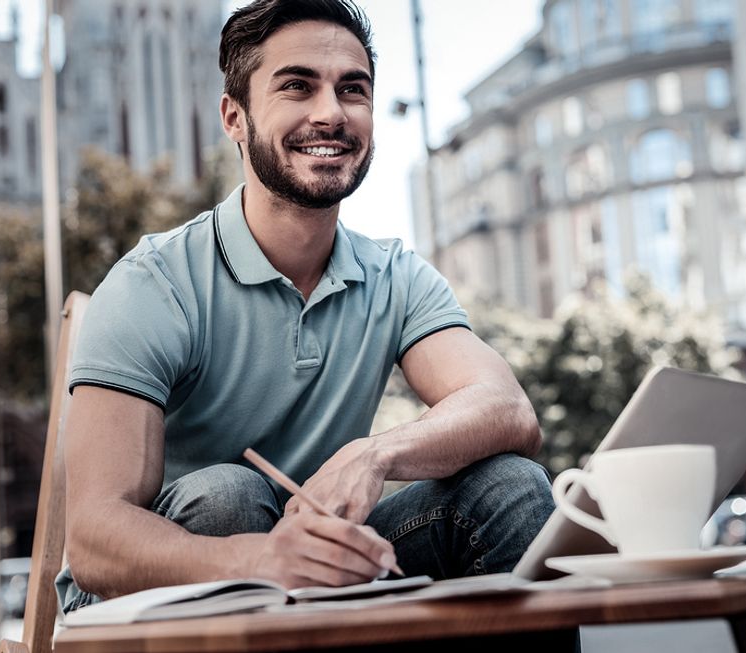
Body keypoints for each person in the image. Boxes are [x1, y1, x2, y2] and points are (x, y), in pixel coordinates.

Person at [56, 0, 556, 618]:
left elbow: (507, 409)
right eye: (297, 86)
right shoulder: (152, 284)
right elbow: (95, 542)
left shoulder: (394, 274)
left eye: (353, 90)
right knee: (229, 497)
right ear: (234, 118)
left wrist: (372, 454)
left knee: (511, 486)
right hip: (137, 601)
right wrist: (260, 559)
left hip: (315, 586)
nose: (331, 113)